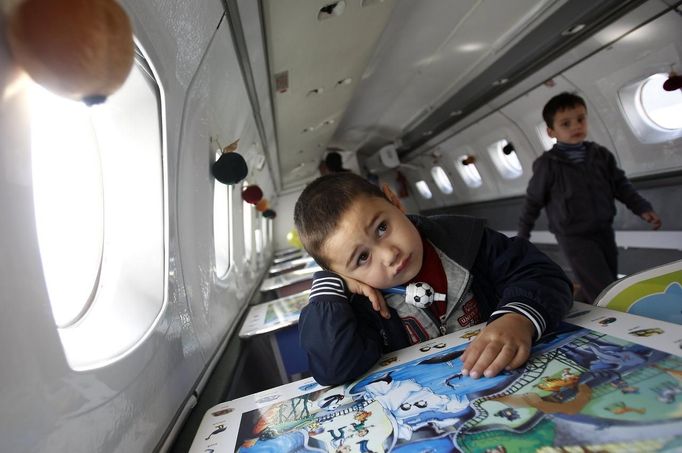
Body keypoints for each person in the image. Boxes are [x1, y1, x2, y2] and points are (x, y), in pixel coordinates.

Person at [294, 172, 573, 386]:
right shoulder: (360, 307)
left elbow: (542, 274)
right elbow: (334, 367)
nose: (390, 254)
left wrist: (517, 318)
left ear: (394, 201)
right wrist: (329, 290)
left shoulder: (468, 242)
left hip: (515, 374)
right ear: (342, 273)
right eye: (362, 258)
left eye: (382, 228)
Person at [518, 92, 661, 304]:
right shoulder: (547, 165)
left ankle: (576, 305)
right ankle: (614, 323)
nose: (576, 126)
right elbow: (533, 201)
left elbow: (621, 186)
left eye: (580, 119)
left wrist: (642, 208)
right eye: (566, 123)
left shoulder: (601, 155)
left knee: (605, 281)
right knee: (603, 288)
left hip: (603, 229)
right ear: (551, 131)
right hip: (573, 236)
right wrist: (523, 236)